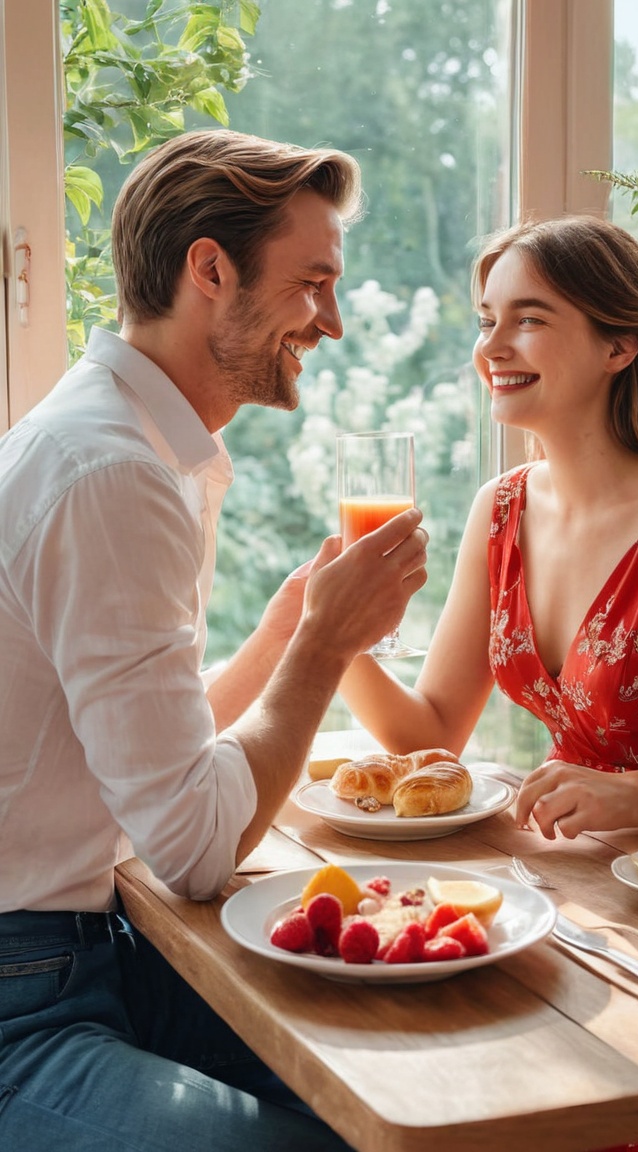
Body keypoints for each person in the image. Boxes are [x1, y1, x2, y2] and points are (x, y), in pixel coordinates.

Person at [0, 129, 428, 1151]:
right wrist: (321, 651)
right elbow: (190, 848)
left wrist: (287, 633)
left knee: (391, 1083)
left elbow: (160, 760)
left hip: (87, 948)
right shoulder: (112, 471)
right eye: (312, 283)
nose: (327, 322)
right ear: (209, 267)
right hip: (26, 993)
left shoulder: (139, 441)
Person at [339, 212, 638, 1150]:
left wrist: (635, 794)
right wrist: (336, 634)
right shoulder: (499, 510)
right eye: (486, 320)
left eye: (526, 319)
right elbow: (432, 736)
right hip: (582, 912)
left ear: (619, 343)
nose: (491, 346)